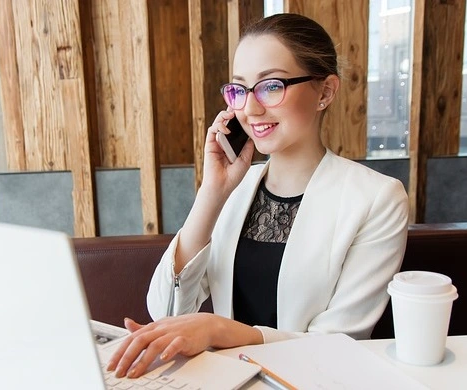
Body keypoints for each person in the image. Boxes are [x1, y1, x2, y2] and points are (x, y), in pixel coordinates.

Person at [107, 12, 409, 379]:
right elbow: (164, 309)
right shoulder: (234, 189)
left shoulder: (377, 199)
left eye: (271, 86)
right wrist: (212, 193)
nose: (250, 108)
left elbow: (339, 342)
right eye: (239, 89)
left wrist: (220, 330)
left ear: (325, 92)